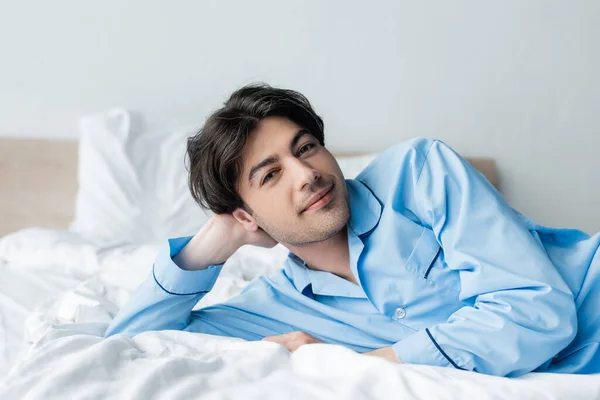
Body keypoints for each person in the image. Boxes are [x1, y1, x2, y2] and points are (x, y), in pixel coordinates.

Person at [104, 83, 600, 377]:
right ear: (245, 216)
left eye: (305, 148)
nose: (307, 174)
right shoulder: (272, 309)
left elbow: (538, 309)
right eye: (271, 174)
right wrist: (208, 248)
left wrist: (369, 364)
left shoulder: (419, 172)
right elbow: (127, 352)